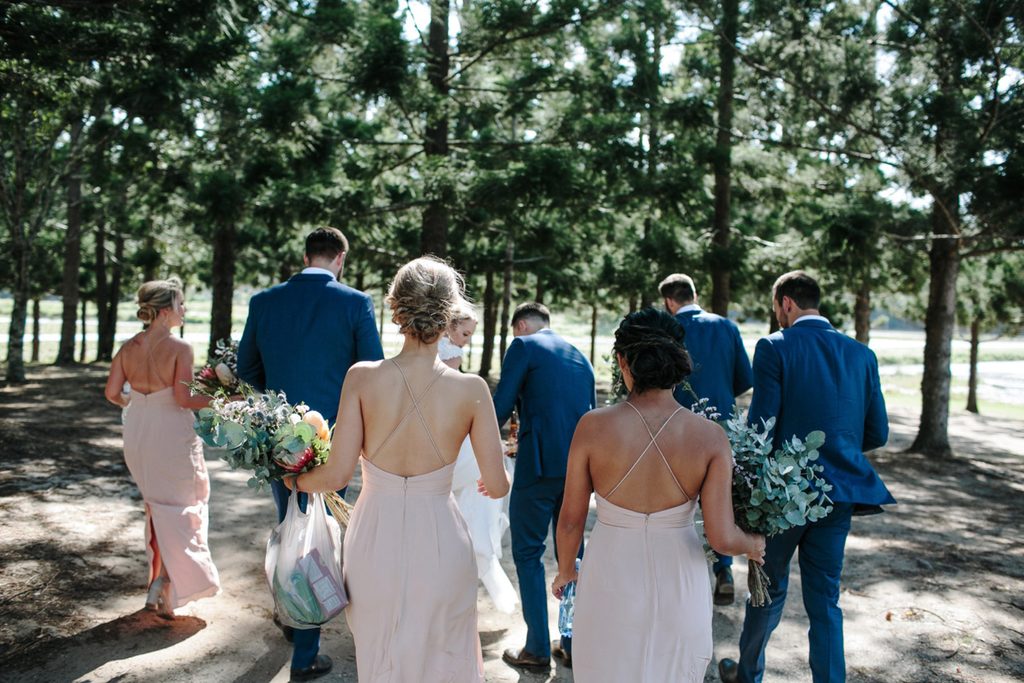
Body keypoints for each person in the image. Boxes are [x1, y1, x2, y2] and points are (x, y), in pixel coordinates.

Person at [289, 256, 511, 682]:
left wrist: (294, 477)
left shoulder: (362, 378)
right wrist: (486, 480)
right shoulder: (472, 389)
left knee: (380, 653)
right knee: (443, 653)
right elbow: (498, 485)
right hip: (442, 539)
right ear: (449, 314)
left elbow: (335, 477)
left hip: (375, 537)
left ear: (396, 308)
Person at [551, 308, 765, 682]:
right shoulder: (710, 436)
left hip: (610, 570)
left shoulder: (592, 427)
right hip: (678, 575)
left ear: (623, 361)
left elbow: (570, 520)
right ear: (678, 361)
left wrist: (567, 570)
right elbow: (722, 537)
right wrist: (753, 542)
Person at [718, 270, 894, 683]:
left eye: (776, 306)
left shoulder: (774, 347)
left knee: (766, 591)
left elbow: (762, 426)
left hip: (782, 497)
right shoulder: (861, 354)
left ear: (787, 304)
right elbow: (878, 432)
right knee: (825, 600)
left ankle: (748, 676)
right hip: (839, 495)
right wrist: (840, 449)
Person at [236, 227, 383, 682]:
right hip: (334, 438)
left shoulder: (264, 301)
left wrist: (275, 424)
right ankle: (304, 651)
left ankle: (291, 612)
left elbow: (246, 372)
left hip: (278, 442)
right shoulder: (355, 302)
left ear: (305, 255)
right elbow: (372, 367)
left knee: (292, 523)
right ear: (340, 258)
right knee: (316, 533)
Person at [104, 278, 221, 619]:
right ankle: (170, 586)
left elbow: (112, 392)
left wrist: (136, 403)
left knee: (157, 508)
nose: (184, 310)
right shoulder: (180, 349)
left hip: (138, 432)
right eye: (181, 304)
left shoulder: (127, 348)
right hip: (170, 434)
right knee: (186, 506)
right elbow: (184, 399)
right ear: (166, 310)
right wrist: (225, 399)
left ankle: (156, 581)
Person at [493, 302, 596, 672]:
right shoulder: (580, 356)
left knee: (527, 553)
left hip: (537, 467)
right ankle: (570, 642)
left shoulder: (523, 346)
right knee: (571, 557)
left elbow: (500, 407)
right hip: (579, 471)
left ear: (521, 325)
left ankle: (536, 647)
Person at [659, 272, 753, 605]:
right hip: (720, 427)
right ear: (694, 294)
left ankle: (676, 577)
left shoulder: (668, 330)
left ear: (670, 301)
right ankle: (723, 571)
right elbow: (744, 378)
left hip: (675, 426)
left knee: (675, 502)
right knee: (720, 499)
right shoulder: (726, 326)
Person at [441, 305, 519, 613]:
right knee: (487, 477)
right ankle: (472, 557)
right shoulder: (450, 354)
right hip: (455, 439)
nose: (466, 341)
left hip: (449, 438)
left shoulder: (432, 351)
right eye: (464, 333)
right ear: (447, 328)